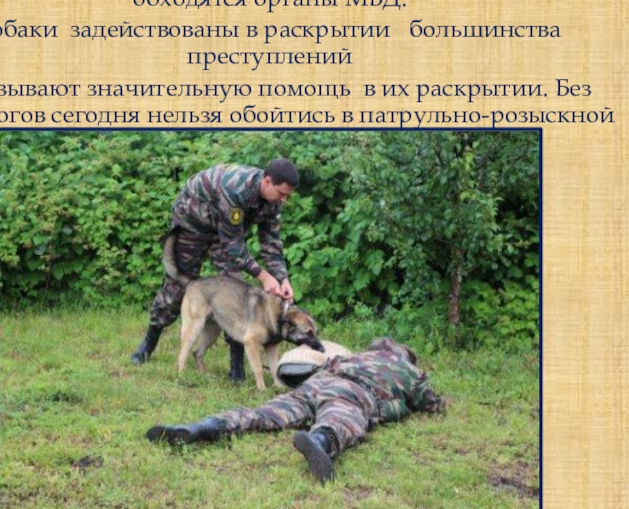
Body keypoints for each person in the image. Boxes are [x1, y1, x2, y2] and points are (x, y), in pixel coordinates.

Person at [146, 338, 446, 483]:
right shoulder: (408, 370)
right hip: (352, 393)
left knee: (264, 413)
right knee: (340, 420)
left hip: (316, 385)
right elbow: (430, 404)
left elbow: (320, 366)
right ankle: (319, 441)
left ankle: (202, 427)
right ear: (405, 355)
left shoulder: (351, 357)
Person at [130, 159, 300, 384]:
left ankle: (236, 368)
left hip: (225, 233)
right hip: (193, 224)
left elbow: (271, 241)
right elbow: (232, 243)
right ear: (267, 182)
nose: (284, 200)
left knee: (234, 291)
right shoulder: (236, 189)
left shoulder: (274, 199)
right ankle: (148, 343)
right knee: (177, 287)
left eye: (287, 196)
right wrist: (262, 275)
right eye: (282, 194)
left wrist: (281, 278)